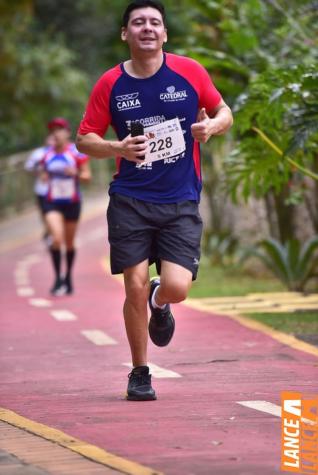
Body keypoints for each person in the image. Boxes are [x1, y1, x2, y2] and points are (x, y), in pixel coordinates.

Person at [76, 0, 233, 401]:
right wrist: (118, 148)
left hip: (180, 198)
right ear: (125, 34)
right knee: (132, 285)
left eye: (155, 23)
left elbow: (223, 110)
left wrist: (211, 127)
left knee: (178, 287)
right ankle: (140, 372)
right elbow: (84, 139)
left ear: (165, 34)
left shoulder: (190, 72)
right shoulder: (110, 83)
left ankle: (160, 303)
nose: (147, 28)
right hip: (130, 199)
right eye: (138, 22)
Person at [42, 117, 91, 296]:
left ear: (67, 133)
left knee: (69, 243)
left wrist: (76, 173)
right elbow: (43, 174)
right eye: (53, 130)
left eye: (59, 129)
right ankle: (57, 278)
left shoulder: (76, 153)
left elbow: (87, 177)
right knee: (56, 239)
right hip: (52, 202)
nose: (56, 133)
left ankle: (68, 276)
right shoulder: (47, 154)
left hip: (72, 202)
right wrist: (44, 177)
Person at [25, 133, 56, 246]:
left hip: (59, 192)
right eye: (50, 138)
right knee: (45, 214)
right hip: (42, 190)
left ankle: (51, 233)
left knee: (56, 215)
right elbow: (28, 167)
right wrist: (39, 172)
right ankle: (49, 233)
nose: (52, 141)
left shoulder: (65, 151)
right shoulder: (38, 153)